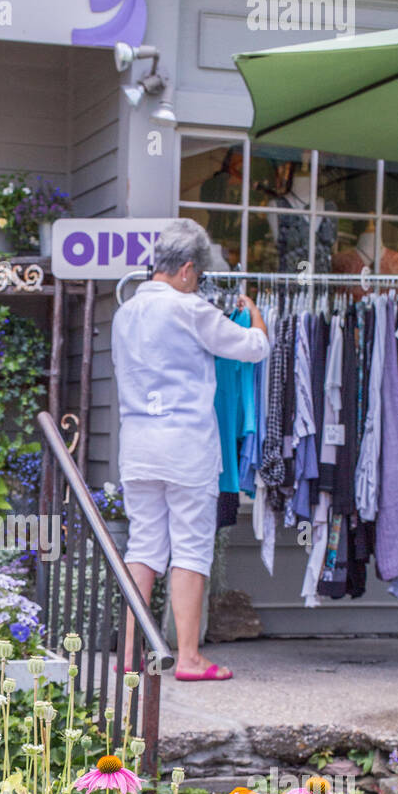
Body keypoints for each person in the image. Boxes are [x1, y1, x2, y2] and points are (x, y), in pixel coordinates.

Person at [112, 219, 269, 680]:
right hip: (184, 446)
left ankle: (127, 654)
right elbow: (252, 348)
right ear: (185, 270)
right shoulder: (191, 309)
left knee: (143, 547)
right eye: (197, 275)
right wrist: (254, 313)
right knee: (191, 550)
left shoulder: (125, 314)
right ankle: (189, 658)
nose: (197, 282)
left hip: (138, 445)